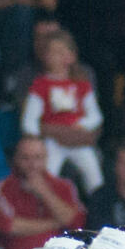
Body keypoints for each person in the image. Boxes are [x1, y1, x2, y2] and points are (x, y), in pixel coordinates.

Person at [22, 26, 104, 193]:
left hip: (77, 141)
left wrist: (80, 127)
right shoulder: (40, 85)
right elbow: (29, 119)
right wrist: (37, 136)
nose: (56, 57)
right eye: (52, 52)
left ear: (71, 56)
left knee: (94, 175)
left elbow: (95, 115)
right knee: (48, 175)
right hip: (51, 142)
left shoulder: (82, 84)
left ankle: (98, 208)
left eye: (61, 52)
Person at [0, 131, 86, 249]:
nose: (32, 164)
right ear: (16, 159)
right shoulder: (4, 187)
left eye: (38, 158)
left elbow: (76, 223)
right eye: (25, 158)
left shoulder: (64, 186)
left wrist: (45, 192)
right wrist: (57, 223)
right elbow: (8, 226)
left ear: (46, 159)